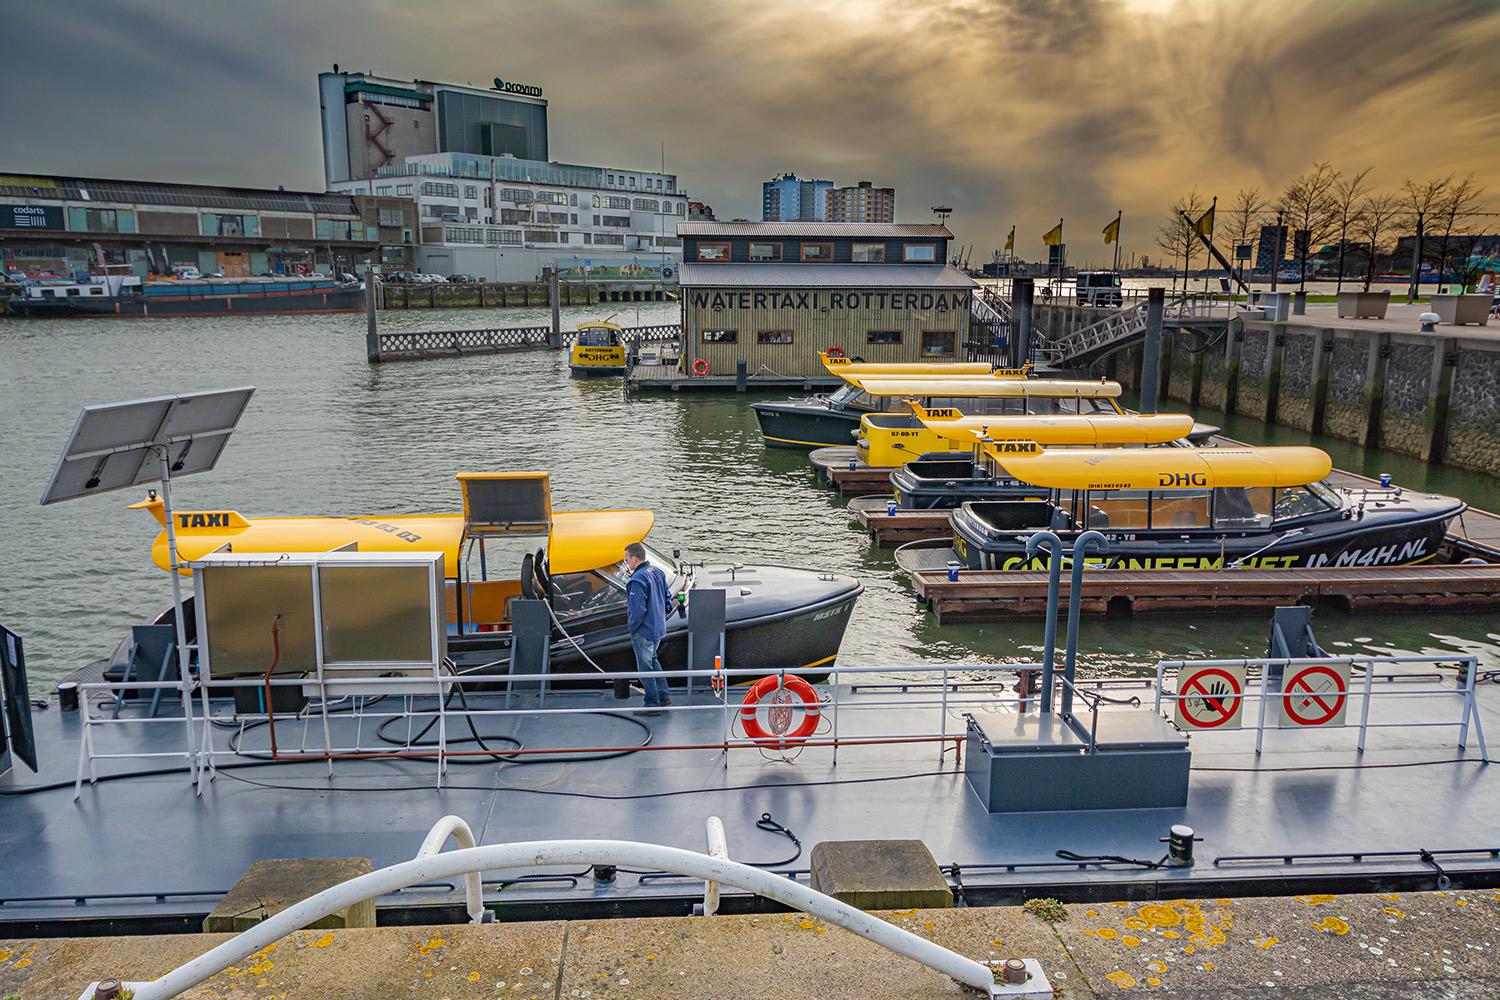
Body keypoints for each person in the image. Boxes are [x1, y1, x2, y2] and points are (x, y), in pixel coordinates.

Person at [624, 542, 672, 713]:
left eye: (627, 559)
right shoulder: (657, 572)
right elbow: (668, 597)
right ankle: (664, 696)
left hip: (644, 631)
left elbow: (637, 610)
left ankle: (652, 704)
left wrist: (632, 627)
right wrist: (662, 614)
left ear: (635, 559)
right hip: (658, 628)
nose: (626, 562)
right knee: (653, 661)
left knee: (645, 668)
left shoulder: (637, 580)